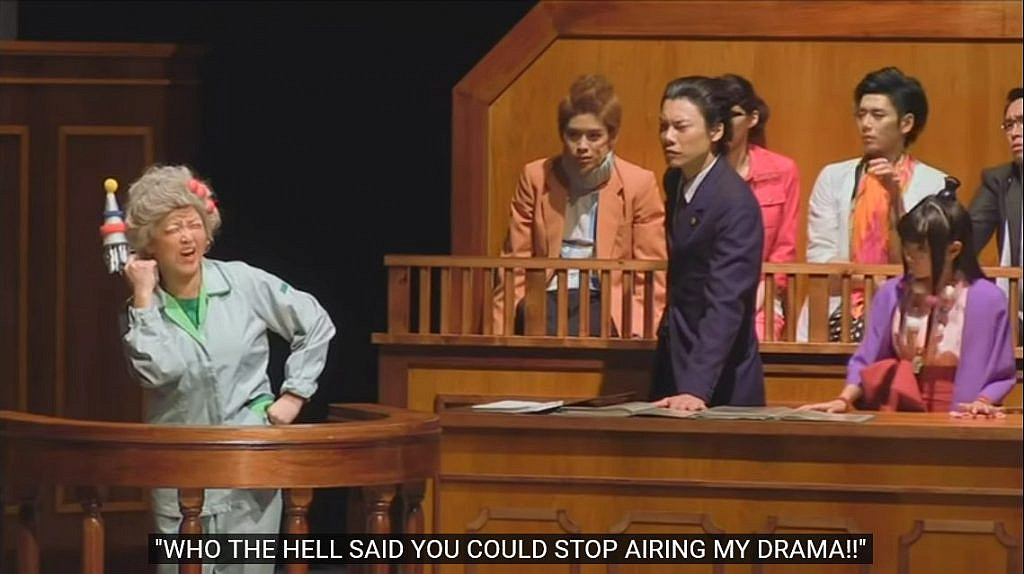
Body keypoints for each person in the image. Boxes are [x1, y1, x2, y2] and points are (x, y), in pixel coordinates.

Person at [120, 165, 336, 574]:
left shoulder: (242, 282)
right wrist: (145, 298)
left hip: (248, 469)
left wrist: (294, 394)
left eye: (194, 224)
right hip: (179, 475)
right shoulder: (141, 310)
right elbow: (158, 372)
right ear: (150, 242)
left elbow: (315, 322)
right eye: (173, 228)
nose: (188, 237)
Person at [800, 178, 1015, 417]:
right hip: (897, 405)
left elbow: (1001, 371)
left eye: (920, 250)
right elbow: (868, 356)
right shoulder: (891, 293)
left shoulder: (987, 298)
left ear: (954, 250)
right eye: (907, 249)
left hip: (962, 411)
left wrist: (983, 401)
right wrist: (844, 399)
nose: (910, 258)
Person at [492, 74, 667, 337]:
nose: (582, 146)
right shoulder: (536, 177)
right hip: (547, 292)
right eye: (573, 135)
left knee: (589, 327)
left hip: (605, 298)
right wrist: (499, 328)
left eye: (594, 136)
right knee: (542, 325)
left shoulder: (638, 183)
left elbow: (651, 271)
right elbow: (515, 261)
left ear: (612, 136)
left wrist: (643, 331)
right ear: (562, 134)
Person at [804, 67, 947, 342]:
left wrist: (895, 198)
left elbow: (928, 265)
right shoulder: (833, 178)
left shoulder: (936, 184)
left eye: (877, 115)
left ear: (906, 123)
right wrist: (878, 282)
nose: (865, 124)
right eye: (861, 114)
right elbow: (821, 261)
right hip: (842, 311)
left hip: (912, 314)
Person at [651, 76, 765, 411]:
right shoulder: (676, 180)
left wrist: (696, 389)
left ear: (716, 132)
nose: (668, 138)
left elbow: (727, 303)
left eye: (681, 127)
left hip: (718, 372)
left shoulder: (735, 203)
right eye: (663, 126)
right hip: (675, 349)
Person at [719, 73, 800, 341]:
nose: (724, 123)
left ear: (752, 118)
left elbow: (785, 248)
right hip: (710, 291)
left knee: (755, 338)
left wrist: (762, 291)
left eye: (733, 114)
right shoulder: (699, 169)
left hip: (762, 293)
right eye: (716, 113)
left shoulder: (782, 170)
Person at [968, 86, 1022, 330]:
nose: (1014, 133)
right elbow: (965, 238)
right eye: (1009, 125)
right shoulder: (1000, 181)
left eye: (1022, 122)